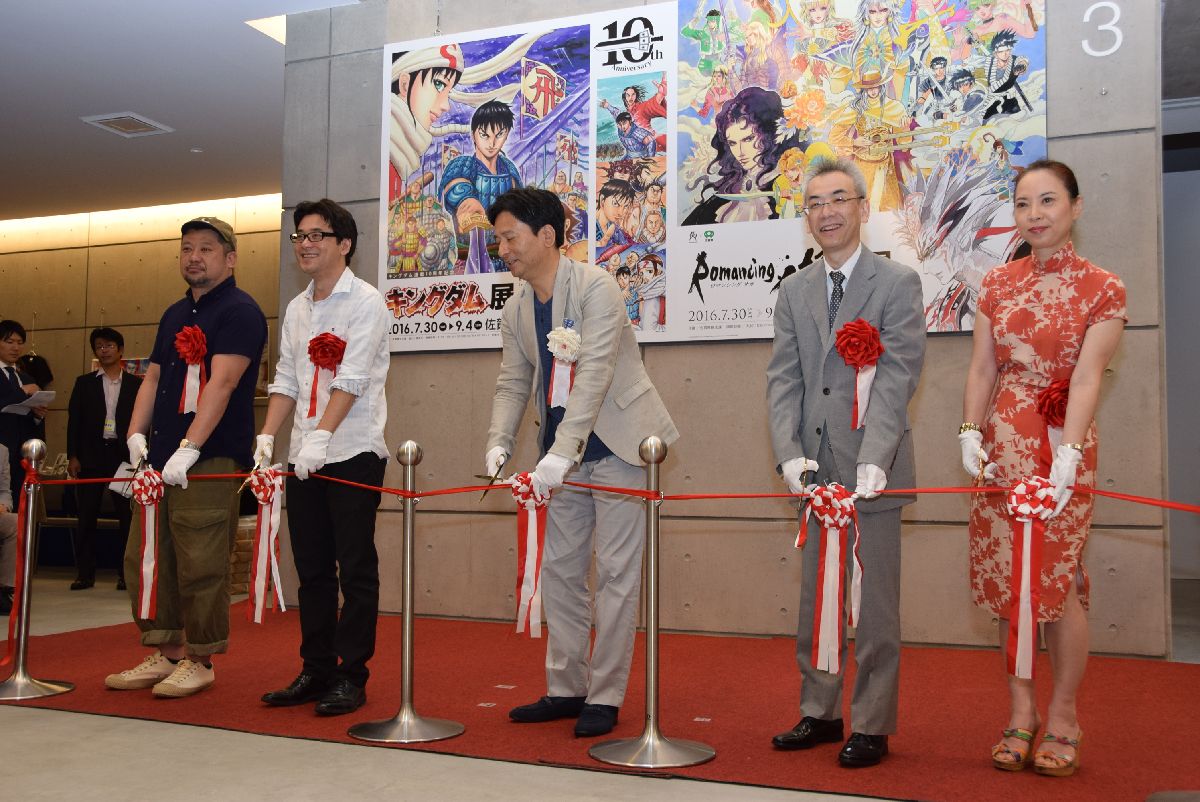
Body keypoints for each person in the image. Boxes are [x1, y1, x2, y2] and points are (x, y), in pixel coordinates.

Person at [482, 188, 678, 738]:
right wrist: (499, 441)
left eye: (510, 238)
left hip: (619, 448)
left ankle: (606, 695)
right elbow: (513, 381)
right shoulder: (516, 307)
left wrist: (561, 453)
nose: (503, 250)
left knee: (616, 575)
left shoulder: (598, 287)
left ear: (547, 236)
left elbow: (593, 376)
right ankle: (567, 687)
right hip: (560, 458)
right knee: (560, 573)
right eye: (498, 240)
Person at [959, 160, 1125, 777]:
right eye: (1024, 203)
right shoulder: (997, 282)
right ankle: (1020, 711)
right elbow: (983, 367)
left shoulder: (1103, 287)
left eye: (1048, 200)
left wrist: (1071, 452)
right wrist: (969, 432)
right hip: (1002, 448)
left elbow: (1086, 378)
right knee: (1010, 587)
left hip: (1061, 447)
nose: (1035, 214)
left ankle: (1064, 715)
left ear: (1075, 206)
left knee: (1056, 585)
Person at [766, 157, 925, 768]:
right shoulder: (794, 289)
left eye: (838, 199)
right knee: (817, 598)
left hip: (873, 469)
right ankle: (820, 710)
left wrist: (877, 458)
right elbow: (784, 380)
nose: (826, 212)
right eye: (814, 203)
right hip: (815, 468)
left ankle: (874, 723)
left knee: (875, 602)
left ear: (861, 207)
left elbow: (897, 378)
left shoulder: (897, 283)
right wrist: (788, 455)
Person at [105, 216, 266, 698]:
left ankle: (201, 658)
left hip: (210, 456)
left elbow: (223, 383)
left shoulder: (241, 311)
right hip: (157, 458)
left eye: (206, 249)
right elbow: (153, 378)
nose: (194, 257)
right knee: (148, 555)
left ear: (230, 258)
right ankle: (167, 650)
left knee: (201, 558)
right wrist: (135, 434)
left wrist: (190, 447)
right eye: (187, 248)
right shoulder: (174, 313)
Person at [256, 200, 390, 716]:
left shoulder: (367, 301)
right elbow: (286, 379)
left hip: (353, 451)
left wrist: (322, 437)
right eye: (299, 236)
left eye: (317, 235)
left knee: (355, 569)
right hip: (303, 456)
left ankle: (351, 675)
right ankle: (316, 668)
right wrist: (269, 437)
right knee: (311, 570)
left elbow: (352, 378)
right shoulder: (297, 308)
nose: (305, 244)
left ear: (344, 244)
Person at [66, 327, 142, 591]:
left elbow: (144, 421)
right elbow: (74, 422)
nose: (104, 350)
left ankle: (126, 574)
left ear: (120, 350)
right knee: (86, 516)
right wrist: (73, 455)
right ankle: (84, 574)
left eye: (109, 345)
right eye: (99, 346)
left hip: (123, 456)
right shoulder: (84, 383)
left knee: (127, 518)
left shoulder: (136, 384)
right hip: (91, 456)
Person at [684, 86, 806, 225]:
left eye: (748, 139)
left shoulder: (787, 181)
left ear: (767, 134)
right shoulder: (730, 188)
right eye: (732, 143)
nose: (740, 152)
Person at [440, 100, 522, 273]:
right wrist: (468, 202)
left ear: (507, 134)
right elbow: (456, 189)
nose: (492, 143)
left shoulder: (509, 169)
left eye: (499, 134)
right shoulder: (463, 164)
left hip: (507, 261)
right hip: (469, 260)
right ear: (473, 135)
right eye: (484, 135)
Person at [0, 320, 47, 504]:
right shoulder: (25, 385)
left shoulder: (26, 377)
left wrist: (37, 415)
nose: (16, 348)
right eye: (10, 342)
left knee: (23, 508)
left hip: (24, 458)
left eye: (20, 343)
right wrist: (22, 392)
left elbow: (32, 420)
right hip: (2, 452)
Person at [0, 444, 16, 616]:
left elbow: (5, 491)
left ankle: (5, 589)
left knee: (15, 522)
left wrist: (4, 506)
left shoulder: (2, 451)